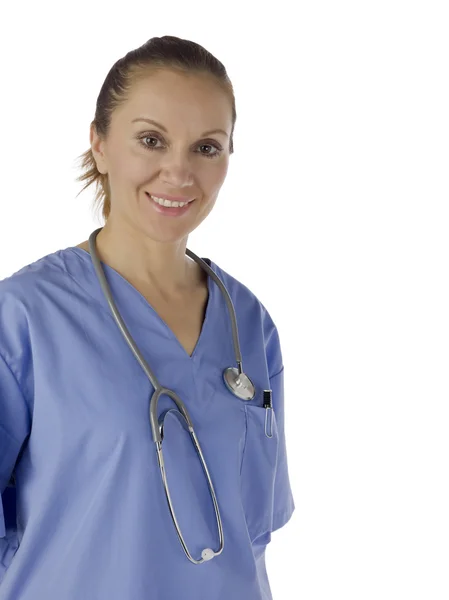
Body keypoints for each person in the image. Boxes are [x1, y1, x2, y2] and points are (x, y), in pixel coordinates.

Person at [0, 35, 295, 599]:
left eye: (207, 147)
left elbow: (255, 528)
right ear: (100, 144)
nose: (179, 172)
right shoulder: (24, 318)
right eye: (151, 140)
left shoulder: (248, 322)